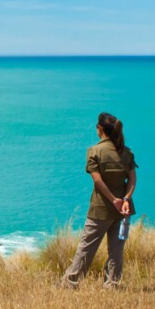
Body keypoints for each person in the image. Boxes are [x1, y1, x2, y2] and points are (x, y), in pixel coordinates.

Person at [62, 111, 137, 289]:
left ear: (100, 129)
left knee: (87, 247)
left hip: (101, 209)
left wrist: (113, 200)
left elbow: (97, 180)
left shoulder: (94, 151)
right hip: (124, 211)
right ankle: (112, 284)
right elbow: (133, 179)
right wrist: (124, 199)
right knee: (116, 250)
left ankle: (70, 283)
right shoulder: (126, 153)